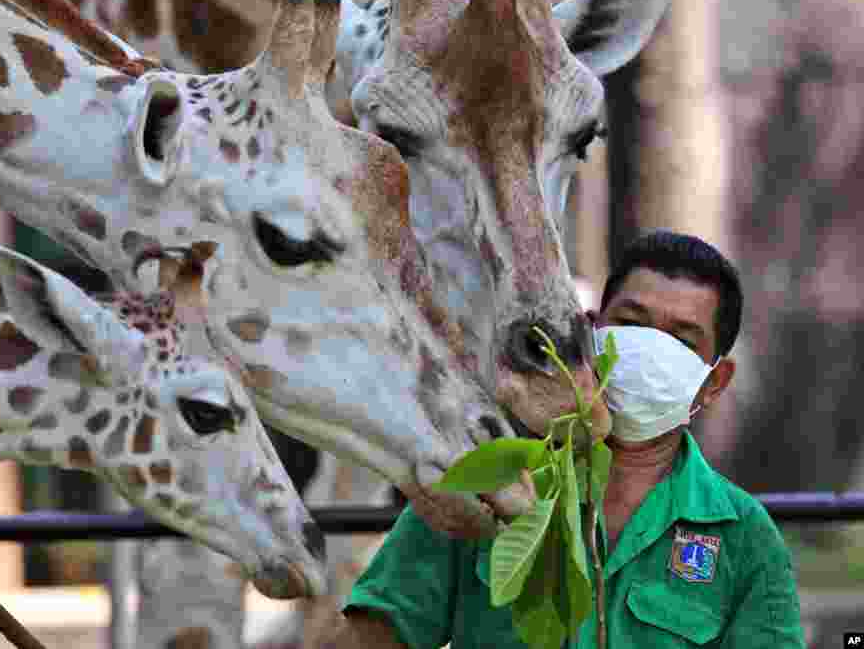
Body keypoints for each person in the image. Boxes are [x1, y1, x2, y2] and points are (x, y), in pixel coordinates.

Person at [330, 231, 806, 648]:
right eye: (633, 324)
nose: (647, 350)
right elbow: (377, 634)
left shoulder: (744, 536)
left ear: (714, 381)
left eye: (682, 340)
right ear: (590, 332)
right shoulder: (490, 476)